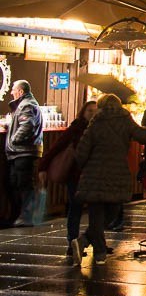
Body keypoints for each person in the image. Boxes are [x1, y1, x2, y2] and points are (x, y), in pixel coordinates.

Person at [72, 94, 146, 265]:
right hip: (117, 174)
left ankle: (86, 243)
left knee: (96, 215)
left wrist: (85, 166)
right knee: (112, 213)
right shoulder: (125, 120)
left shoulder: (95, 123)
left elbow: (81, 152)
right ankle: (98, 252)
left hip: (93, 175)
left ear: (101, 106)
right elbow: (144, 137)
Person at [38, 100, 96, 254]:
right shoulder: (76, 128)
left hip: (91, 175)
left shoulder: (98, 129)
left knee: (94, 210)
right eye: (90, 110)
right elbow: (57, 146)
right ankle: (72, 242)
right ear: (83, 112)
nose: (92, 114)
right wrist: (43, 166)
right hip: (76, 175)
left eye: (95, 111)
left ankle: (92, 241)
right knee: (76, 208)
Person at [5, 80, 43, 227]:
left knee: (23, 185)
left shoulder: (27, 104)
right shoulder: (27, 103)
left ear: (20, 91)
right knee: (17, 183)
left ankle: (25, 217)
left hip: (24, 152)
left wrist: (14, 140)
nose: (11, 92)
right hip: (21, 152)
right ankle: (20, 215)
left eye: (13, 89)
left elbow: (27, 125)